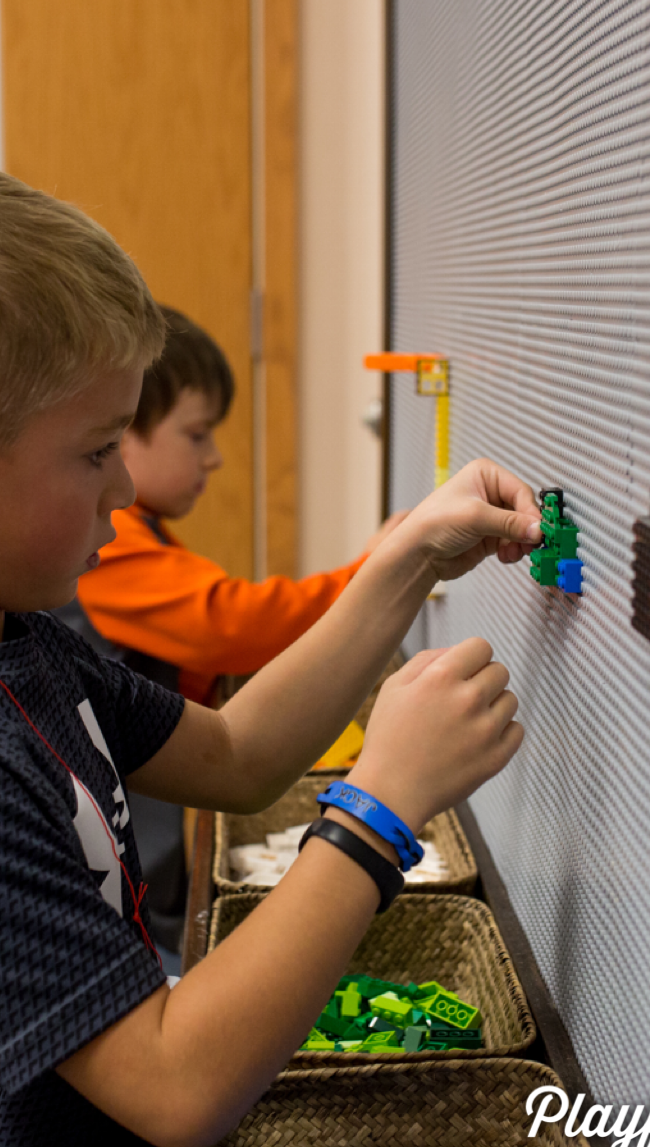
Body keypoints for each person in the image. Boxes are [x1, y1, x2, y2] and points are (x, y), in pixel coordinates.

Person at [0, 133, 540, 1147]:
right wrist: (380, 806)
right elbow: (178, 1083)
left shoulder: (11, 642)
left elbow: (233, 755)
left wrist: (404, 560)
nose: (126, 488)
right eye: (93, 453)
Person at [57, 305, 403, 955]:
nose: (214, 458)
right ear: (123, 433)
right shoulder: (107, 546)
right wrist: (374, 574)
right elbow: (228, 621)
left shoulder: (135, 533)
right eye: (197, 435)